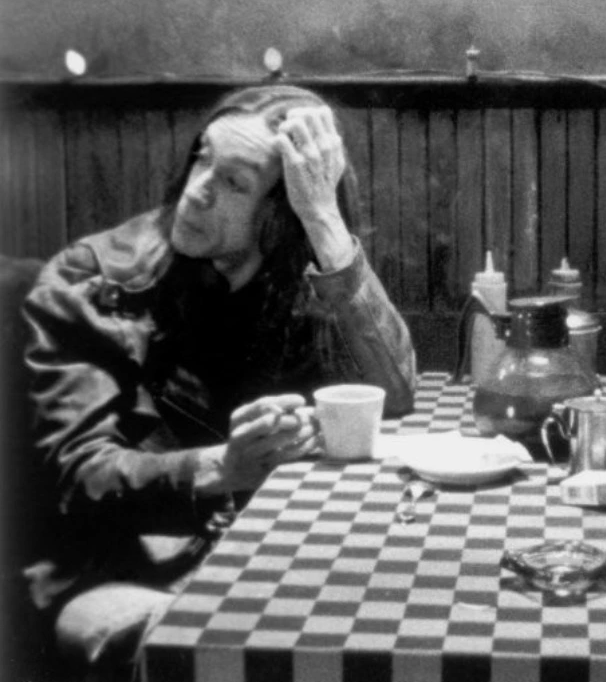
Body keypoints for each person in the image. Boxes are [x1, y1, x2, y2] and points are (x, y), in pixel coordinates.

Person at [20, 84, 417, 680]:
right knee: (265, 653)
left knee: (391, 626)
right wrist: (223, 467)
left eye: (233, 182)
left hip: (250, 555)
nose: (197, 189)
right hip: (109, 570)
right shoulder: (96, 279)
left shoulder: (289, 272)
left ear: (279, 218)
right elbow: (77, 478)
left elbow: (396, 393)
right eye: (202, 158)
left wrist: (324, 220)